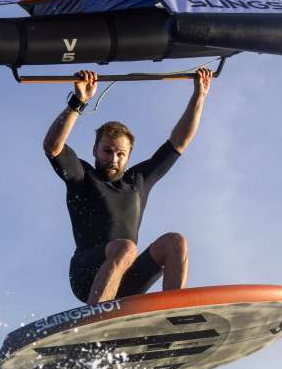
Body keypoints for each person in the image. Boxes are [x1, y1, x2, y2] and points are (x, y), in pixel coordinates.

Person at [42, 67, 213, 305]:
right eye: (107, 151)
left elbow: (179, 142)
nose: (113, 159)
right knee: (126, 248)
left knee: (175, 242)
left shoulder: (138, 181)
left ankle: (171, 317)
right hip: (85, 276)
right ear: (95, 150)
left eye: (120, 153)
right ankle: (95, 322)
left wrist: (199, 96)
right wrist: (78, 102)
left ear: (129, 156)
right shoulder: (82, 177)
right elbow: (52, 146)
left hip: (126, 278)